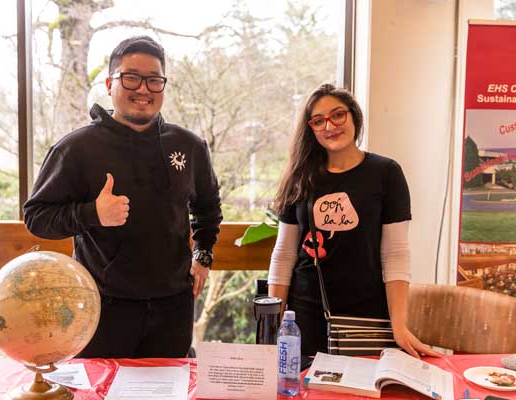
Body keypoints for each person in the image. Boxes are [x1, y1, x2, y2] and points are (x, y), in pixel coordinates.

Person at [23, 36, 222, 359]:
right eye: (131, 77)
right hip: (102, 306)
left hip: (173, 307)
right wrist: (92, 214)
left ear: (162, 86)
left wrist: (204, 254)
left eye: (154, 80)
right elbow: (36, 217)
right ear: (110, 83)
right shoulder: (76, 149)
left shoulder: (189, 146)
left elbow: (208, 209)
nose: (143, 89)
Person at [267, 83, 439, 359]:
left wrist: (399, 326)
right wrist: (275, 325)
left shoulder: (386, 173)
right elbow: (284, 255)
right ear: (310, 129)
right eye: (318, 120)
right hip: (306, 313)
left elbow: (395, 255)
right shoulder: (300, 178)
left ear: (354, 116)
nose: (330, 126)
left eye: (338, 115)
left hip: (366, 315)